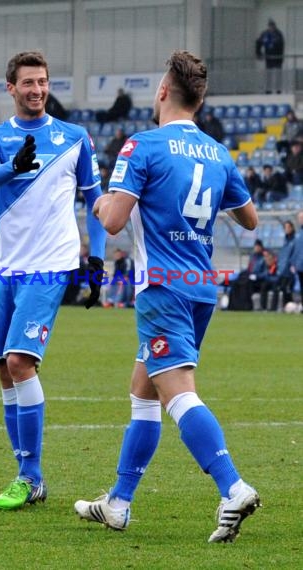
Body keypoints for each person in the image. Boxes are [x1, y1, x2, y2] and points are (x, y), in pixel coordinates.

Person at [74, 50, 260, 543]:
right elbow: (250, 219)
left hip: (161, 288)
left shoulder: (143, 146)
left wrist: (96, 201)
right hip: (201, 290)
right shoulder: (219, 153)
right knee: (143, 391)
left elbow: (113, 221)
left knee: (177, 393)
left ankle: (232, 486)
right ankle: (118, 501)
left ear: (161, 91)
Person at [0, 50, 106, 510]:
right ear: (10, 88)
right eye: (28, 83)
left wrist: (97, 260)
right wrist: (15, 166)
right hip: (5, 266)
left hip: (50, 265)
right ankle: (26, 473)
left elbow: (95, 201)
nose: (37, 90)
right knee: (2, 368)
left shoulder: (74, 139)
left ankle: (30, 477)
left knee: (19, 362)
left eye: (43, 82)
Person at [255, 19, 285, 94]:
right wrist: (258, 53)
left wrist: (280, 57)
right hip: (269, 58)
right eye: (270, 26)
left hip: (277, 58)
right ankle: (268, 90)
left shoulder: (278, 34)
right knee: (269, 74)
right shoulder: (265, 34)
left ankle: (278, 90)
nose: (271, 28)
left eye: (272, 26)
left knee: (278, 74)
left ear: (275, 26)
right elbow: (258, 43)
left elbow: (280, 45)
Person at [291, 210, 303, 310]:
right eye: (300, 218)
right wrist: (293, 263)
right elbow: (296, 250)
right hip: (299, 266)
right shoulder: (298, 234)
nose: (301, 220)